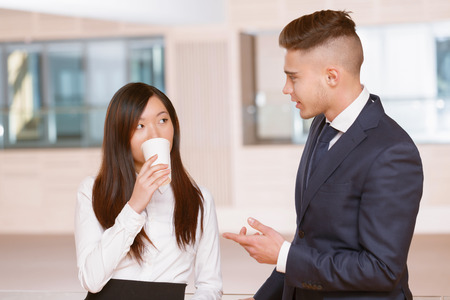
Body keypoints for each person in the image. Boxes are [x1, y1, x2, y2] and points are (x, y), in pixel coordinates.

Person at [223, 10, 423, 300]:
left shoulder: (392, 152)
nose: (286, 89)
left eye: (293, 78)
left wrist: (284, 256)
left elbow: (381, 269)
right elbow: (312, 238)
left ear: (331, 76)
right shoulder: (320, 124)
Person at [75, 82, 222, 300]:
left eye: (163, 120)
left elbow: (210, 286)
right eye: (139, 126)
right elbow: (91, 280)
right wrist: (134, 206)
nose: (155, 134)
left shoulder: (198, 200)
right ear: (120, 134)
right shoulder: (93, 191)